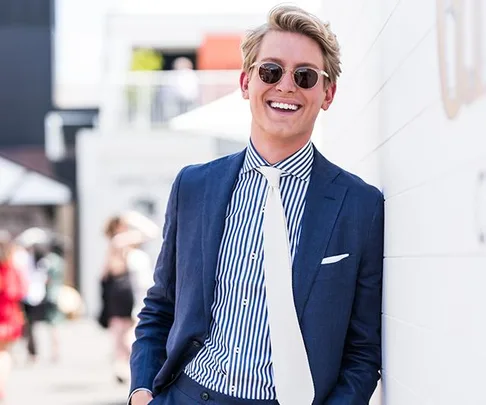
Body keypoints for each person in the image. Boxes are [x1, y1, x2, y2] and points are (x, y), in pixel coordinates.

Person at [129, 5, 384, 405]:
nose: (285, 86)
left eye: (304, 76)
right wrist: (142, 393)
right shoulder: (194, 186)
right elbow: (160, 306)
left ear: (327, 93)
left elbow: (363, 351)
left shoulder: (360, 206)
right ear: (246, 82)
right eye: (270, 71)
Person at [101, 211, 158, 383]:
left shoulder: (119, 244)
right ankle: (128, 366)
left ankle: (122, 367)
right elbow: (152, 232)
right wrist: (134, 217)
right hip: (131, 294)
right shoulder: (120, 241)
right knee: (128, 333)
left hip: (128, 293)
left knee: (123, 332)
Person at [0, 231, 27, 400]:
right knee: (4, 353)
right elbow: (20, 291)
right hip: (8, 318)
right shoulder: (12, 269)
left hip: (7, 317)